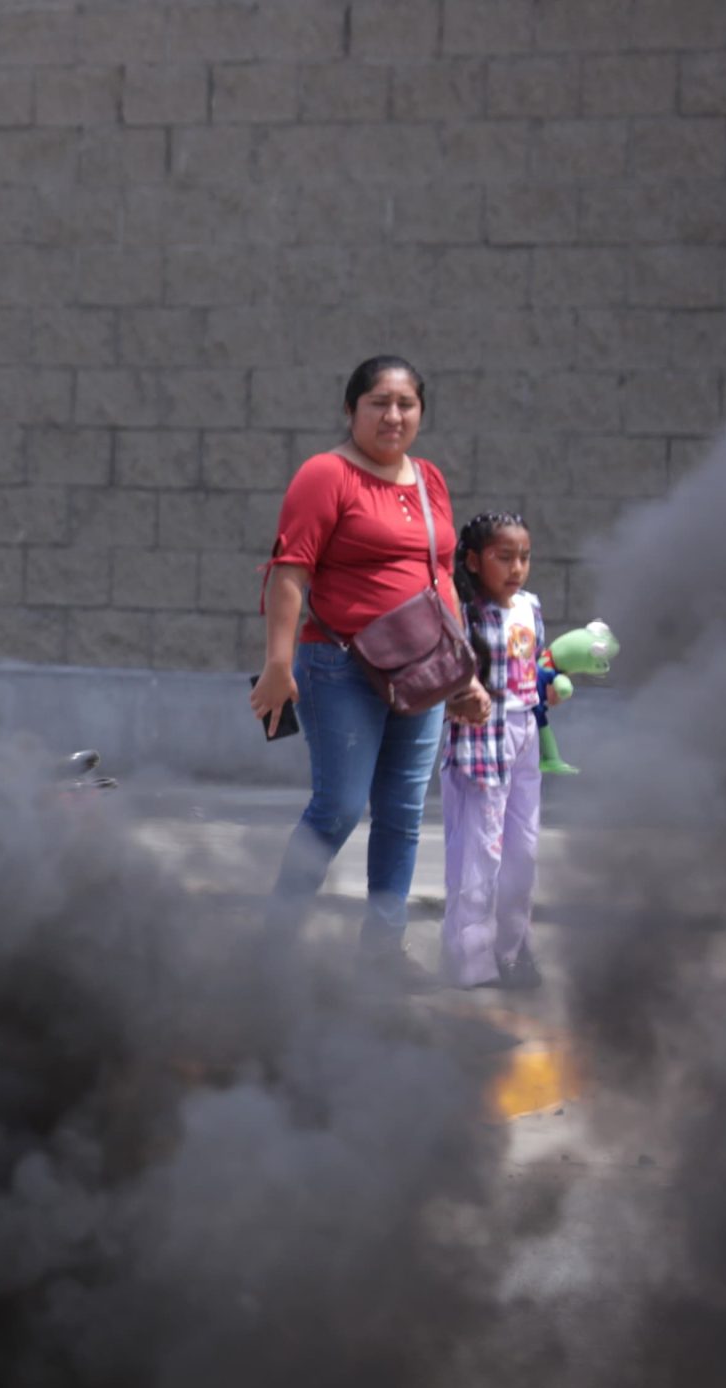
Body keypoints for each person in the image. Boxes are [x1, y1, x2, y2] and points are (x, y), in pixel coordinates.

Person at [249, 355, 490, 976]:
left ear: (421, 414)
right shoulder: (324, 475)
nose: (393, 415)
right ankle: (272, 947)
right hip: (338, 665)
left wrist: (462, 674)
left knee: (404, 813)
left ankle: (382, 951)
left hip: (420, 668)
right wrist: (280, 665)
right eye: (379, 402)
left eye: (406, 404)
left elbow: (443, 579)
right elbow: (289, 572)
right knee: (338, 808)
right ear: (351, 409)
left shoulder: (429, 478)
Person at [440, 513, 545, 990]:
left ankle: (512, 947)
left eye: (523, 557)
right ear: (474, 561)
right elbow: (446, 671)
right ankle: (470, 960)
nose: (516, 568)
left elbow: (534, 663)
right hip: (481, 740)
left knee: (523, 849)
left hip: (526, 737)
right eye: (504, 558)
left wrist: (550, 683)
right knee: (480, 852)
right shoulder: (463, 613)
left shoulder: (529, 606)